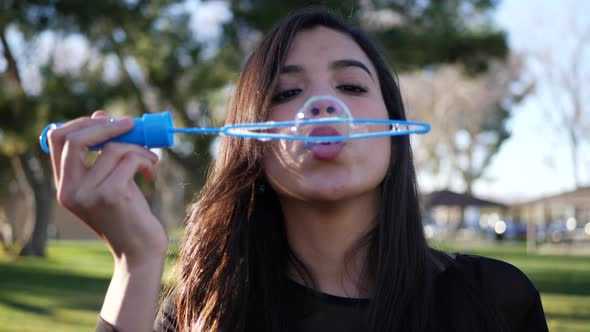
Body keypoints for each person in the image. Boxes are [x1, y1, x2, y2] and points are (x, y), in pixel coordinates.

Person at [46, 7, 548, 332]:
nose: (324, 107)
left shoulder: (496, 302)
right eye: (287, 93)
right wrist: (135, 264)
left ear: (394, 132)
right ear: (252, 143)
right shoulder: (204, 313)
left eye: (351, 88)